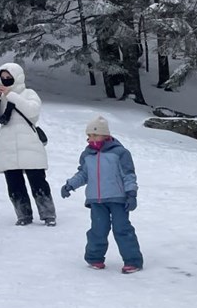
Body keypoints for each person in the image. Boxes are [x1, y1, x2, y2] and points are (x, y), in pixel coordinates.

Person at [60, 116, 143, 273]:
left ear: (105, 135)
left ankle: (133, 261)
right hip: (96, 201)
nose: (90, 139)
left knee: (122, 229)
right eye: (89, 135)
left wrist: (131, 194)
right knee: (98, 229)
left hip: (118, 199)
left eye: (94, 135)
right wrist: (70, 184)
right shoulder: (87, 154)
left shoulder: (120, 153)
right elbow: (83, 174)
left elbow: (129, 175)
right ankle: (94, 258)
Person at [0, 63, 56, 226]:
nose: (5, 80)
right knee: (13, 183)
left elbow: (32, 111)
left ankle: (48, 214)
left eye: (9, 77)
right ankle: (23, 215)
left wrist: (12, 95)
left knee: (38, 181)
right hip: (6, 143)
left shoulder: (28, 93)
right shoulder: (0, 95)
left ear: (17, 76)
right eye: (3, 77)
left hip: (29, 141)